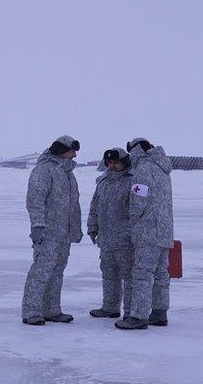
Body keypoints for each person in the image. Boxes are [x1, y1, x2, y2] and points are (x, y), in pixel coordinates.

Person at [21, 135, 84, 325]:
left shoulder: (68, 174)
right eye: (72, 151)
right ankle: (31, 311)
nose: (74, 155)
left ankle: (52, 310)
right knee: (41, 272)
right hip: (48, 233)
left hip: (64, 235)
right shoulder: (43, 171)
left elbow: (74, 205)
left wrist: (76, 229)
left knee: (57, 272)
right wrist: (37, 226)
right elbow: (35, 201)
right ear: (61, 150)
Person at [116, 137, 174, 330]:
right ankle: (159, 313)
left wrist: (133, 221)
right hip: (164, 232)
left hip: (147, 231)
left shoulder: (143, 169)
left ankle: (138, 316)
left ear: (137, 150)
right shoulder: (163, 168)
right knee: (160, 274)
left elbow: (138, 200)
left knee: (141, 273)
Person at [87, 147, 134, 319]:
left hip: (125, 240)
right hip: (106, 239)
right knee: (108, 274)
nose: (112, 166)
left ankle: (131, 312)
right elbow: (94, 206)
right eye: (109, 163)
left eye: (116, 163)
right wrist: (92, 227)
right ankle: (110, 307)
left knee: (129, 277)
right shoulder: (103, 181)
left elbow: (138, 211)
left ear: (125, 163)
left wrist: (131, 233)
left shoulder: (132, 181)